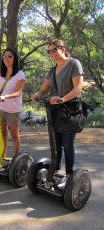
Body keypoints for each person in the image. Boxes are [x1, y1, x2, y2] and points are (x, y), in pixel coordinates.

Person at [30, 39, 84, 178]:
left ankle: (69, 175)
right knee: (56, 144)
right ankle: (54, 170)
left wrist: (62, 98)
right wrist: (37, 95)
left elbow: (78, 87)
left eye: (54, 49)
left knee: (67, 144)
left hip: (70, 109)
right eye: (49, 51)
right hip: (55, 109)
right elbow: (43, 89)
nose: (51, 53)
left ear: (63, 49)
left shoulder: (73, 63)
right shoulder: (53, 70)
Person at [0, 48, 26, 158]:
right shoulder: (1, 74)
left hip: (14, 110)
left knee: (14, 136)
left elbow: (18, 92)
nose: (7, 59)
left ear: (14, 59)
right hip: (2, 109)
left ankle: (16, 160)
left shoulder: (19, 74)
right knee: (2, 136)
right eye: (5, 56)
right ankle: (2, 158)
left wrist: (4, 96)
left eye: (10, 56)